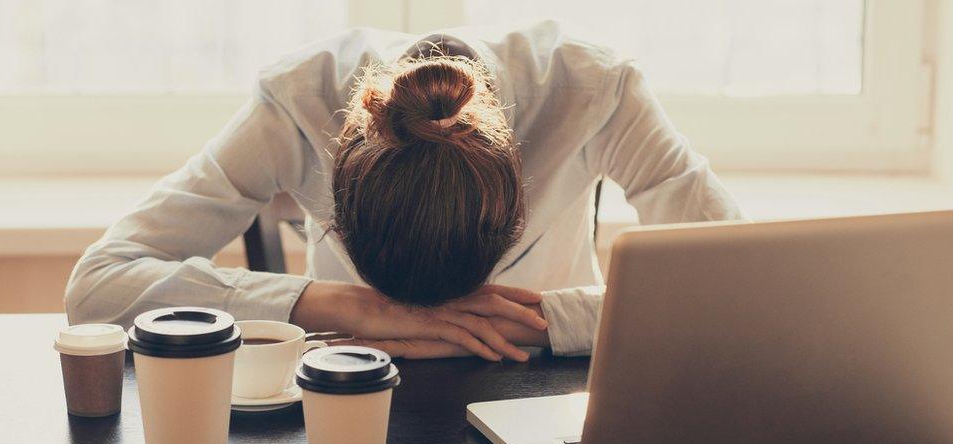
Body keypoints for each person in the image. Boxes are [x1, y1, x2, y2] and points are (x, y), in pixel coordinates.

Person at [65, 21, 743, 361]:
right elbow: (99, 284)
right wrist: (342, 305)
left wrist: (542, 320)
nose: (442, 319)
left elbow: (744, 285)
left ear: (515, 192)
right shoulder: (299, 98)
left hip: (546, 385)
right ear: (339, 189)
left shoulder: (598, 90)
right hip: (355, 373)